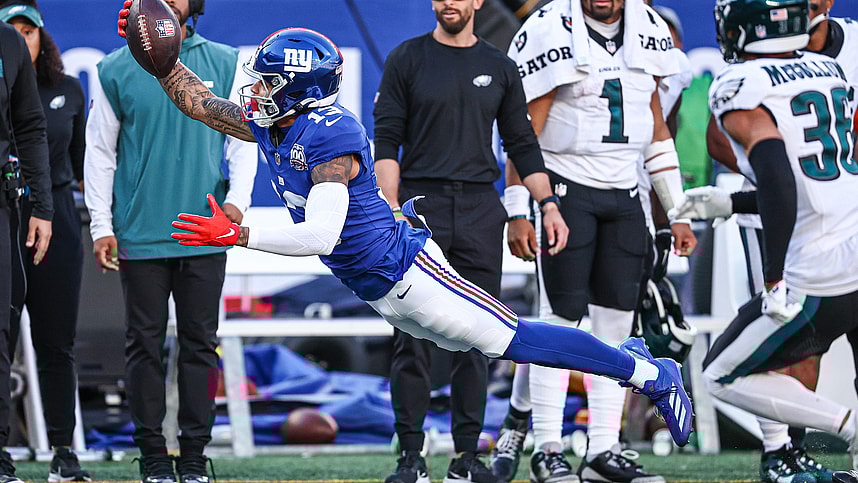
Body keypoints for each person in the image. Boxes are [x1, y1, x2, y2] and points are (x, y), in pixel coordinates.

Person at [115, 16, 696, 479]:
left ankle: (646, 371)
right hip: (381, 287)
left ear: (299, 90)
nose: (255, 92)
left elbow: (321, 234)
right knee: (493, 343)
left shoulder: (330, 134)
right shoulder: (275, 119)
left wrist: (241, 234)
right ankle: (636, 360)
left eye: (268, 82)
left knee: (512, 340)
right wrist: (163, 60)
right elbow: (201, 105)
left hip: (410, 271)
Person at [490, 0, 696, 481]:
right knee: (558, 323)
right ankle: (547, 448)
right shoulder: (549, 27)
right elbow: (525, 133)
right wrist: (519, 209)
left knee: (618, 331)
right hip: (565, 190)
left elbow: (656, 128)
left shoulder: (648, 25)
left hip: (625, 193)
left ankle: (603, 449)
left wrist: (678, 211)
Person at [373, 0, 567, 481]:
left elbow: (522, 143)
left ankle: (466, 456)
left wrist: (548, 205)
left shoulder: (499, 66)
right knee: (411, 336)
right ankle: (411, 456)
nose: (449, 3)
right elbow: (386, 140)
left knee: (480, 338)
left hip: (482, 209)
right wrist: (392, 211)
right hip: (421, 209)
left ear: (478, 1)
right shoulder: (406, 58)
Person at [679, 1, 858, 480]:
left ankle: (845, 427)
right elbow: (814, 181)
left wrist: (775, 276)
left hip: (819, 272)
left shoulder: (742, 83)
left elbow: (779, 180)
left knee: (719, 373)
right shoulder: (827, 70)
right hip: (853, 245)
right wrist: (731, 205)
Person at [86, 1, 257, 481]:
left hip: (206, 230)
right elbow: (100, 151)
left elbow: (245, 141)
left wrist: (237, 205)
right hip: (140, 231)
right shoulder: (115, 66)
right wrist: (102, 225)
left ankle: (196, 457)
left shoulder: (228, 61)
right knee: (143, 345)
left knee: (202, 345)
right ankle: (155, 457)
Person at [0, 1, 89, 481]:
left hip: (54, 215)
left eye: (28, 30)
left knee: (58, 341)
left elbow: (81, 165)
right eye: (12, 29)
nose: (21, 37)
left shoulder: (67, 90)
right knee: (2, 337)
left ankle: (63, 450)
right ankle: (4, 454)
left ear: (41, 36)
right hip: (5, 212)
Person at [0, 16, 52, 483]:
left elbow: (31, 126)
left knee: (0, 326)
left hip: (1, 202)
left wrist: (42, 205)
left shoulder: (9, 44)